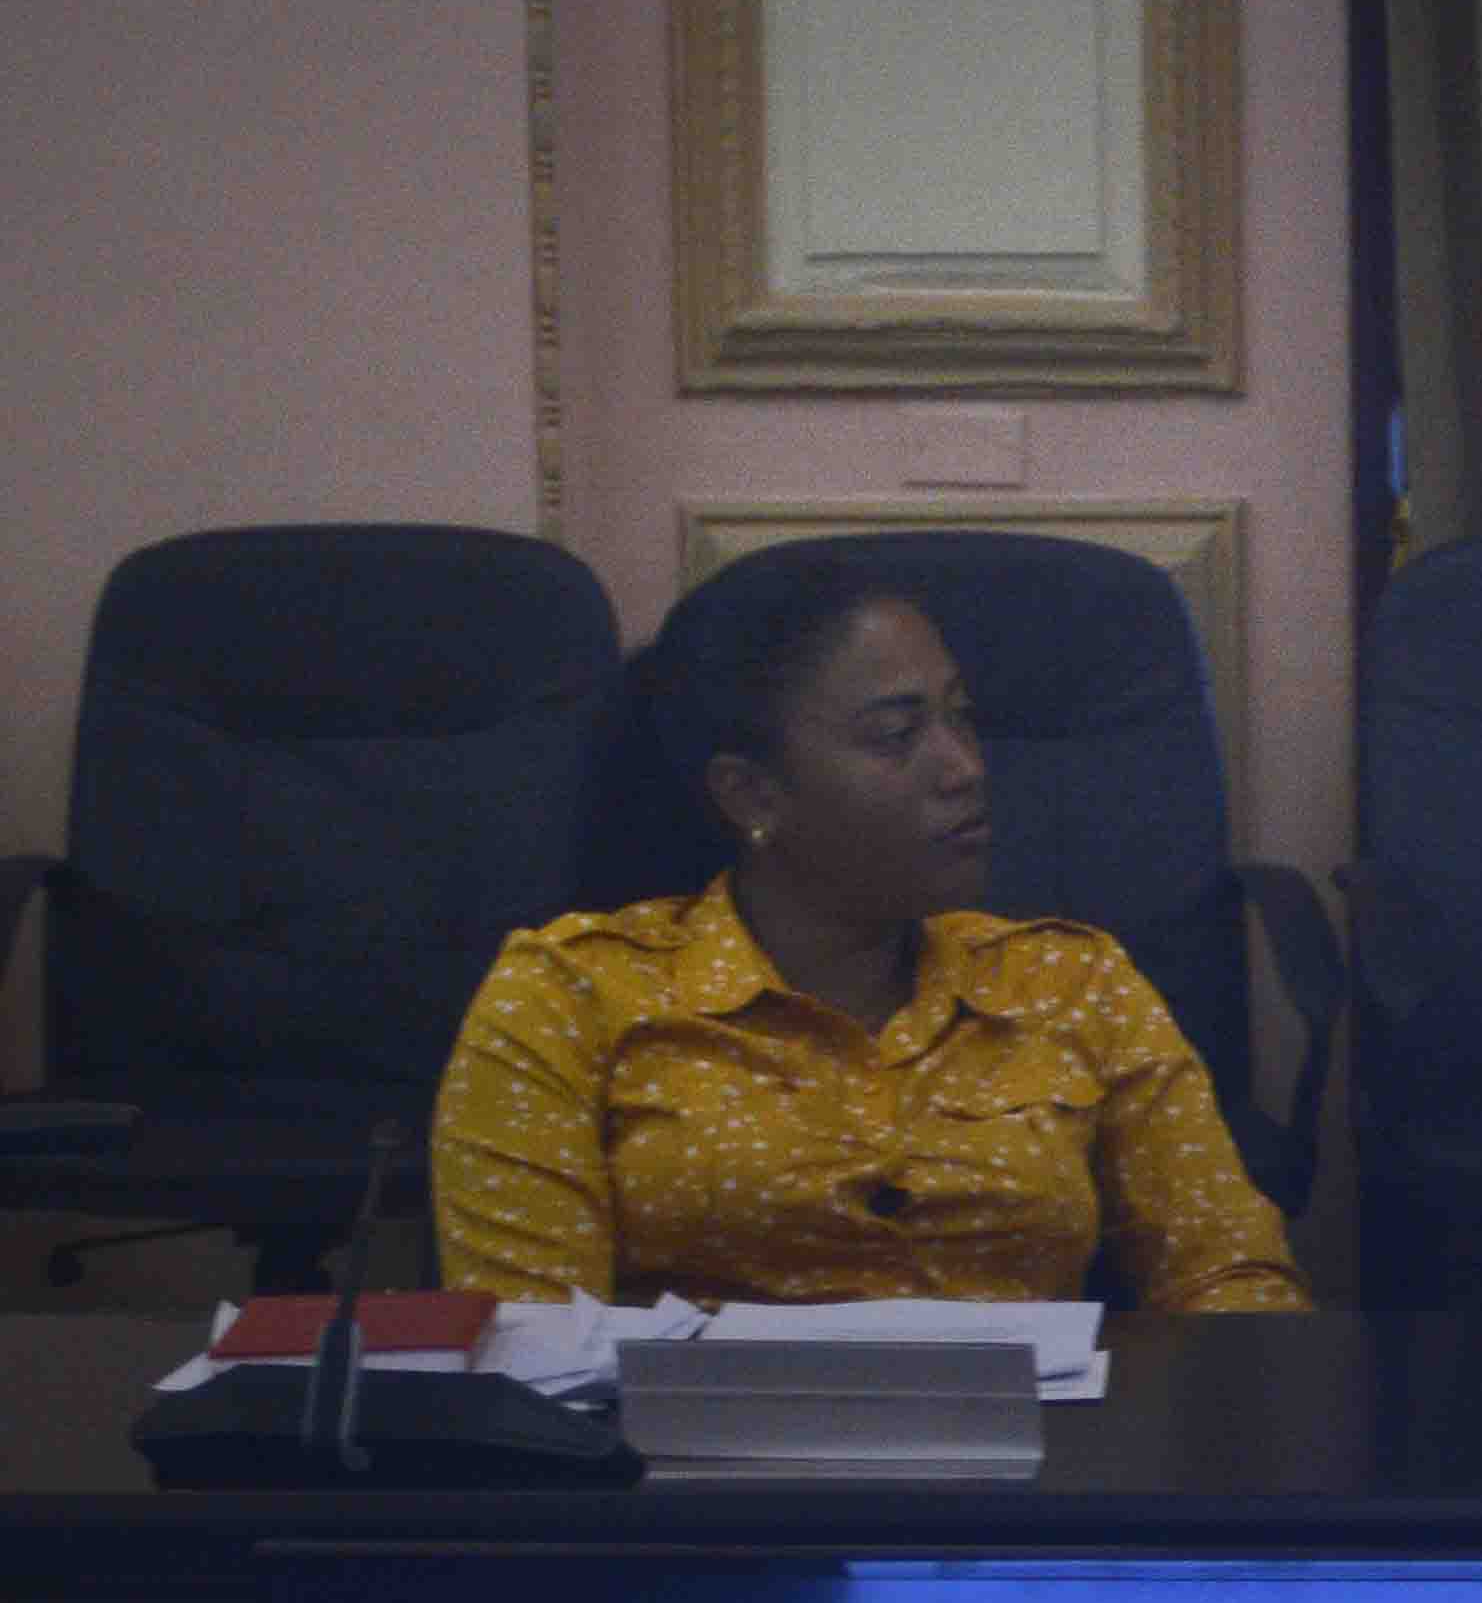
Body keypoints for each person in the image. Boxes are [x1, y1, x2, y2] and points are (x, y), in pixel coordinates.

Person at [432, 549, 1309, 1312]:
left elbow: (1227, 1275)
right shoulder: (570, 996)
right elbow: (532, 1350)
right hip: (692, 1454)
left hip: (1041, 1448)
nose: (966, 769)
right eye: (896, 735)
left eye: (962, 717)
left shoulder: (1072, 983)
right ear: (751, 794)